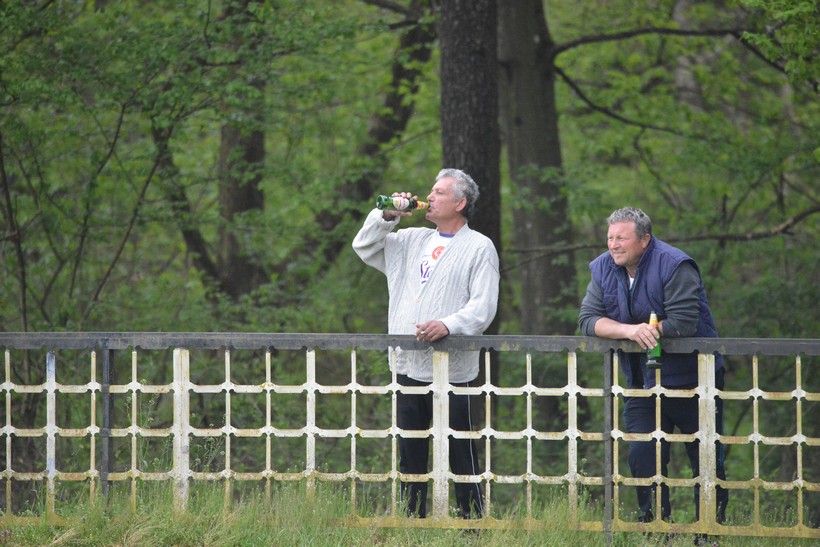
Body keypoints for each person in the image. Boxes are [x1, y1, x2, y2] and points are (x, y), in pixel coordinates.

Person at [352, 168, 499, 519]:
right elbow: (364, 246)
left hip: (455, 368)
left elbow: (483, 306)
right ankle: (411, 521)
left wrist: (447, 324)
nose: (429, 197)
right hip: (407, 363)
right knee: (410, 448)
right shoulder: (411, 238)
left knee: (461, 448)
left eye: (439, 192)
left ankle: (472, 524)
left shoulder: (479, 247)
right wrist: (387, 216)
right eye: (430, 192)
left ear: (461, 203)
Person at [578, 207, 728, 527]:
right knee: (642, 456)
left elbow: (684, 322)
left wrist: (649, 330)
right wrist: (630, 331)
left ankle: (709, 532)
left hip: (693, 376)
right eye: (610, 238)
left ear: (645, 239)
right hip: (640, 379)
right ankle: (656, 530)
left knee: (705, 459)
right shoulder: (603, 267)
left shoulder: (675, 264)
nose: (613, 245)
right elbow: (588, 320)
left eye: (622, 238)